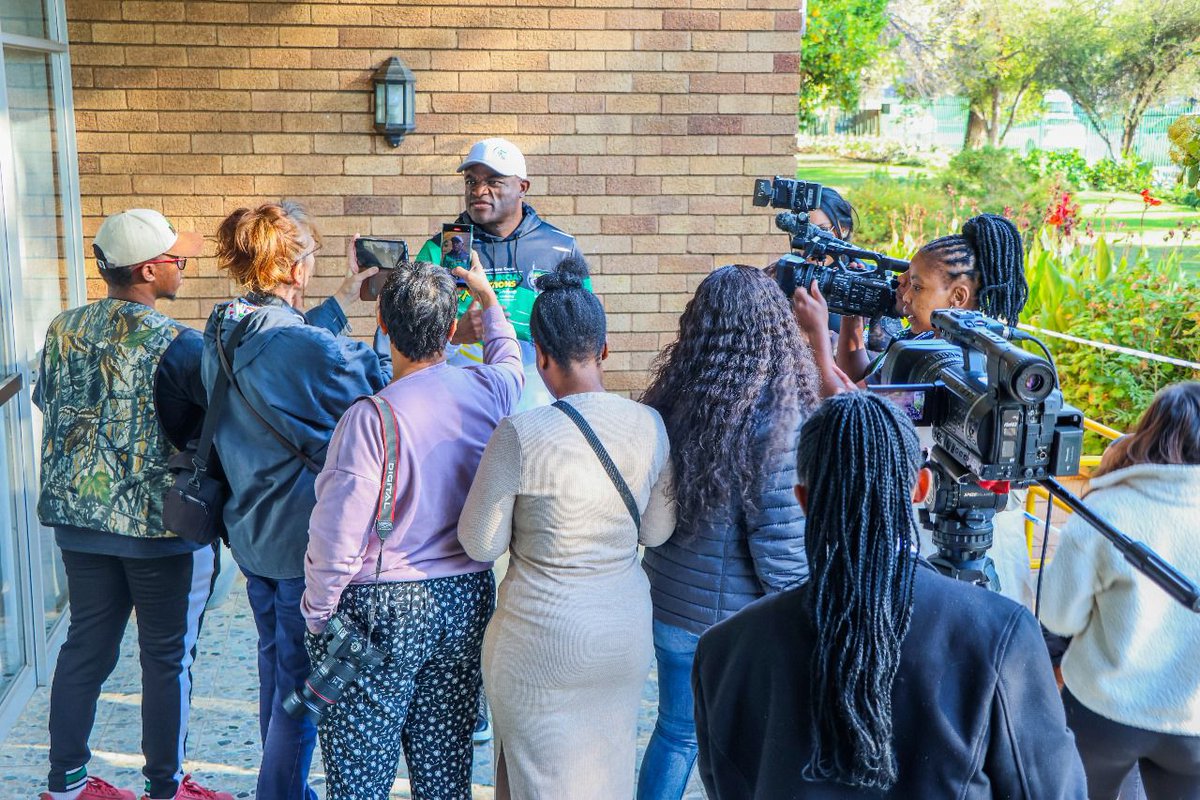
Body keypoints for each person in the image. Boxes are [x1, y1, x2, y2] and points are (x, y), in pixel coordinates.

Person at [692, 392, 1088, 799]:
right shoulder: (1000, 634)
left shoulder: (722, 651)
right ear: (920, 487)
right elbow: (1052, 791)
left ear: (804, 501)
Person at [299, 252, 523, 800]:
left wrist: (319, 614)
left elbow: (337, 535)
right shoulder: (490, 392)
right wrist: (490, 303)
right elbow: (511, 359)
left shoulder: (370, 417)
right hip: (466, 598)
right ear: (450, 330)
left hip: (382, 607)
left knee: (359, 778)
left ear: (383, 326)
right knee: (445, 776)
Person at [457, 258, 675, 799]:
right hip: (620, 635)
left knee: (532, 776)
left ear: (540, 356)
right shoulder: (649, 424)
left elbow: (479, 542)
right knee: (604, 774)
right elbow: (658, 531)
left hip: (540, 637)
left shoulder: (521, 433)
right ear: (603, 349)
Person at [34, 209, 229, 800]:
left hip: (77, 523)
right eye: (176, 260)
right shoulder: (178, 344)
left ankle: (64, 783)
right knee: (167, 658)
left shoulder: (63, 328)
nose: (182, 268)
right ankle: (164, 789)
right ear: (148, 269)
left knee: (85, 648)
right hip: (159, 531)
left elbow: (51, 402)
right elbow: (209, 426)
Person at [202, 203, 389, 800]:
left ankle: (279, 786)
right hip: (298, 540)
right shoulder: (308, 348)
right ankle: (278, 794)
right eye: (309, 256)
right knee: (301, 690)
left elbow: (288, 357)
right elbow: (377, 388)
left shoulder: (223, 327)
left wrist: (334, 304)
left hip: (251, 531)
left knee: (275, 671)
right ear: (292, 269)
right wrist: (385, 320)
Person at [637, 265, 819, 799]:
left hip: (668, 607)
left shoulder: (672, 401)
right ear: (775, 327)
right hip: (738, 626)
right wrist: (804, 619)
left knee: (675, 734)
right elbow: (781, 551)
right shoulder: (779, 423)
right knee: (746, 749)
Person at [1041, 382, 1200, 799]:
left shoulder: (1107, 509)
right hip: (1193, 722)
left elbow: (1058, 617)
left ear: (1150, 430)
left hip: (1102, 709)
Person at [415, 137, 584, 414]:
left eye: (493, 181)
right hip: (458, 408)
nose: (479, 190)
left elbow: (582, 334)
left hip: (537, 403)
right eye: (471, 181)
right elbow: (412, 344)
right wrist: (456, 337)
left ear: (522, 187)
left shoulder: (560, 248)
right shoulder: (439, 250)